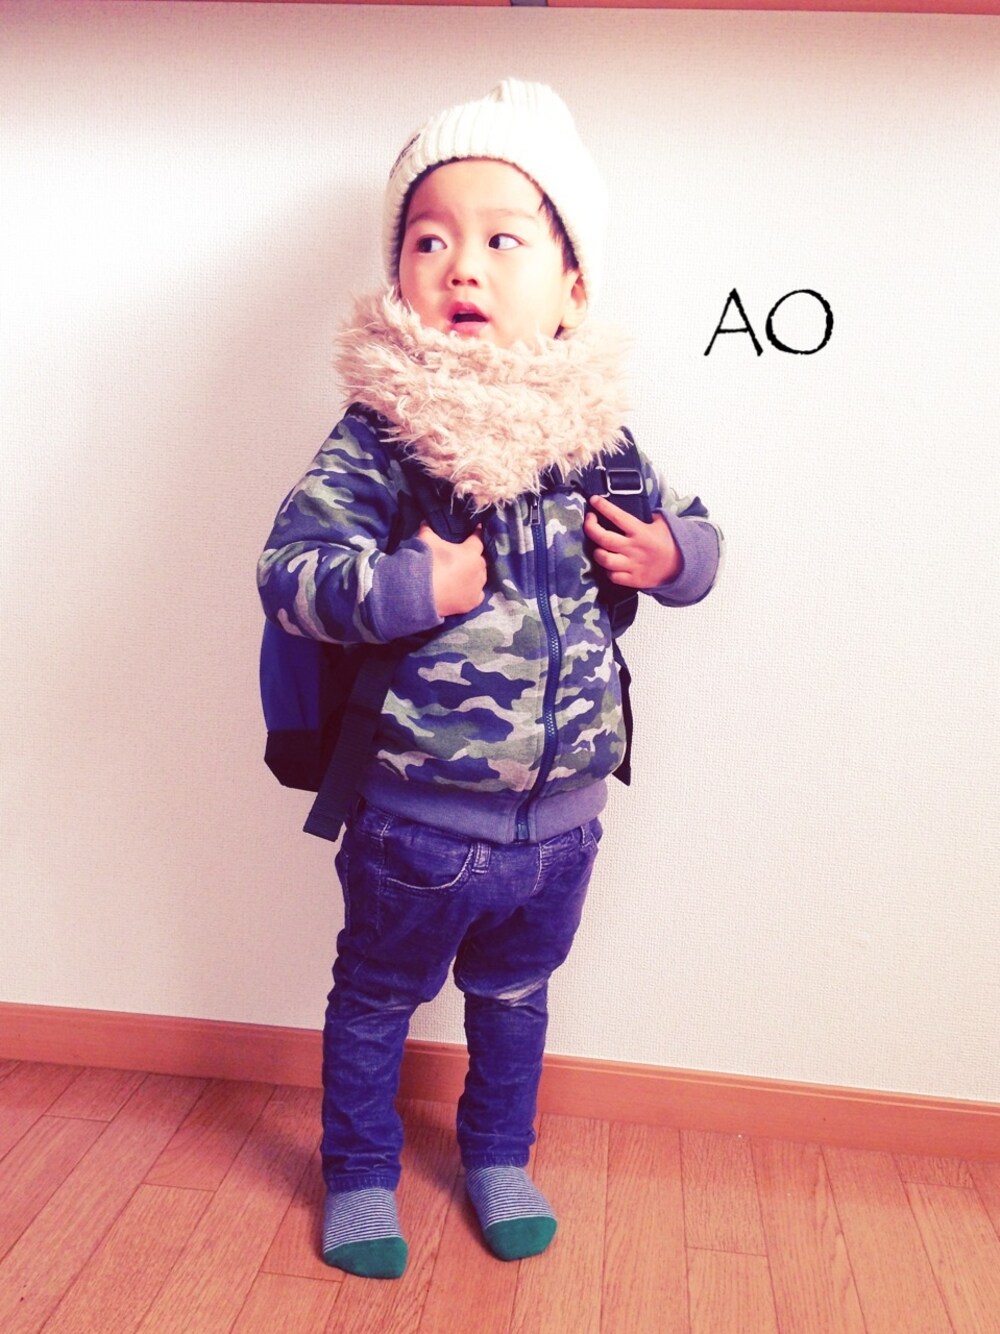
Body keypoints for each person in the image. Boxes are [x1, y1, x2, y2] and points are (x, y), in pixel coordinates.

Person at [258, 79, 721, 1280]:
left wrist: (672, 556)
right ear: (399, 278)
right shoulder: (383, 435)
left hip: (563, 820)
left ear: (572, 290)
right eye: (428, 241)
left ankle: (499, 1155)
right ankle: (361, 1170)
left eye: (501, 239)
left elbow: (697, 535)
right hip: (413, 818)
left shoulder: (602, 439)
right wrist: (407, 588)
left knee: (516, 995)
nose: (460, 265)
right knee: (376, 997)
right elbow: (289, 573)